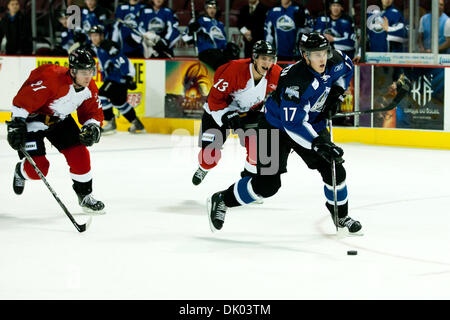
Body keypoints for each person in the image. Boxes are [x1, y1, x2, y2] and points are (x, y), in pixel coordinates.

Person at [206, 33, 363, 236]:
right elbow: (293, 125)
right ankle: (222, 199)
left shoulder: (336, 59)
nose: (322, 59)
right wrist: (318, 143)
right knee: (267, 186)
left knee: (334, 169)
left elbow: (347, 68)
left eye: (324, 53)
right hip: (274, 127)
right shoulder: (295, 82)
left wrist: (336, 94)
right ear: (305, 56)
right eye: (316, 55)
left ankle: (341, 215)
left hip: (312, 122)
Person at [6, 48, 105, 214]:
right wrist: (16, 123)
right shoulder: (52, 78)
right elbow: (24, 100)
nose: (88, 76)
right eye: (83, 72)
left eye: (90, 71)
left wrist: (92, 126)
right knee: (38, 169)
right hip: (34, 119)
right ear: (72, 70)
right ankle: (20, 171)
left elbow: (92, 112)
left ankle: (85, 196)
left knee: (80, 154)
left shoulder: (90, 88)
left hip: (60, 120)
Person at [192, 40, 282, 186]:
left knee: (258, 151)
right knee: (209, 158)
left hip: (249, 113)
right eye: (264, 58)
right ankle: (203, 167)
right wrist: (225, 114)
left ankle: (248, 184)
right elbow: (214, 99)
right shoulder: (234, 70)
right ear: (255, 58)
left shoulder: (276, 73)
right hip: (219, 110)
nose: (268, 62)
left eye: (271, 59)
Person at [88, 25, 144, 134]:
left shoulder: (108, 46)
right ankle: (137, 123)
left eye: (96, 35)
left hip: (119, 77)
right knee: (119, 103)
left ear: (102, 36)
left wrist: (128, 77)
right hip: (114, 78)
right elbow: (105, 67)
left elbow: (121, 60)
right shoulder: (99, 47)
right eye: (92, 36)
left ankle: (110, 122)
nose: (93, 38)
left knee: (101, 95)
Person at [182, 0, 240, 70]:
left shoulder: (219, 24)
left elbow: (223, 42)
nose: (212, 10)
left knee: (233, 59)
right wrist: (191, 30)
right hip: (206, 53)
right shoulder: (200, 20)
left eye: (214, 8)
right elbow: (185, 38)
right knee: (222, 64)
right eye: (209, 8)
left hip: (218, 53)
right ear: (205, 9)